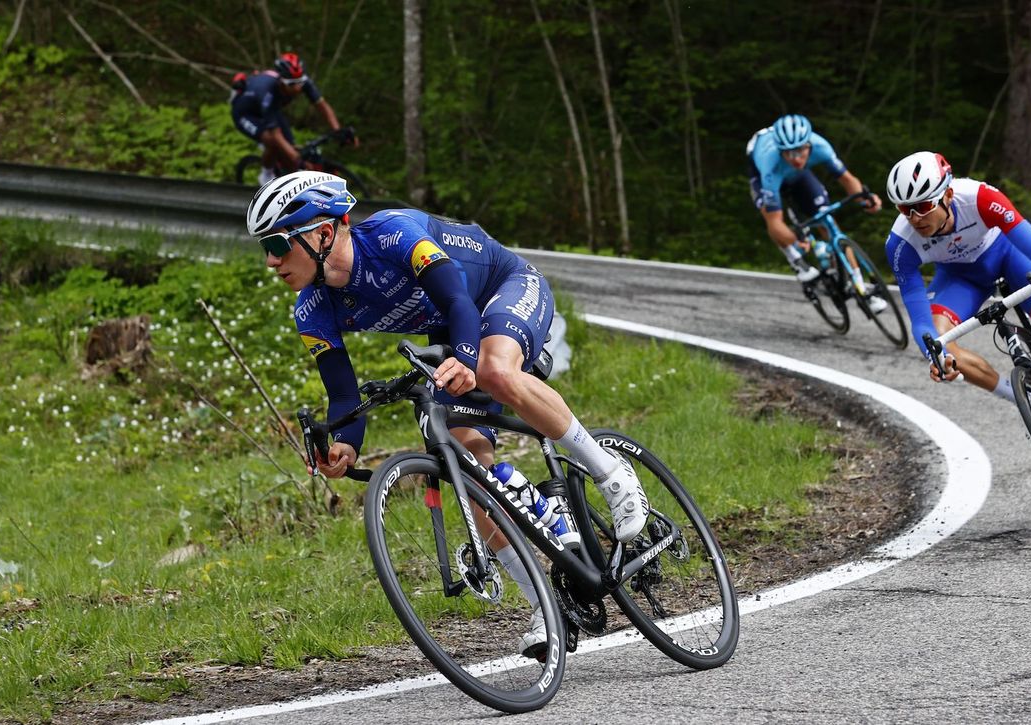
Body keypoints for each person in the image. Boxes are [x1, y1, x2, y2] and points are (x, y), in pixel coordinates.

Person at [247, 171, 650, 657]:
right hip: (449, 327)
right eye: (263, 248)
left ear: (323, 233)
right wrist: (344, 444)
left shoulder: (396, 234)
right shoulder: (310, 310)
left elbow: (457, 297)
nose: (270, 261)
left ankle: (611, 473)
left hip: (503, 286)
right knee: (467, 472)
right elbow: (342, 396)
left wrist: (463, 353)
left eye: (277, 243)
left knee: (495, 371)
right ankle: (549, 611)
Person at [883, 150, 1031, 419]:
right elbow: (920, 321)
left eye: (924, 206)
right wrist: (936, 358)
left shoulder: (980, 198)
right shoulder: (900, 244)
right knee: (939, 344)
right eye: (906, 209)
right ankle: (1021, 397)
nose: (915, 217)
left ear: (948, 195)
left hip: (1009, 257)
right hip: (962, 279)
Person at [746, 114, 886, 311]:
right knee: (771, 215)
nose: (796, 158)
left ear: (809, 145)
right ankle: (796, 261)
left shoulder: (820, 146)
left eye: (800, 151)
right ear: (780, 151)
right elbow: (775, 220)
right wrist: (795, 240)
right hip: (764, 172)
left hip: (798, 178)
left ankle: (860, 288)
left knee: (828, 223)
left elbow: (847, 179)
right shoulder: (770, 164)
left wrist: (866, 199)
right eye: (789, 153)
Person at [229, 52, 356, 186]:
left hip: (269, 110)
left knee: (291, 152)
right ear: (281, 81)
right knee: (273, 141)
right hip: (246, 113)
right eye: (292, 84)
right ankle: (266, 175)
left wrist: (338, 130)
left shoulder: (302, 82)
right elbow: (275, 134)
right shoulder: (268, 91)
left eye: (300, 82)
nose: (297, 87)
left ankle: (290, 188)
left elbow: (323, 107)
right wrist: (297, 158)